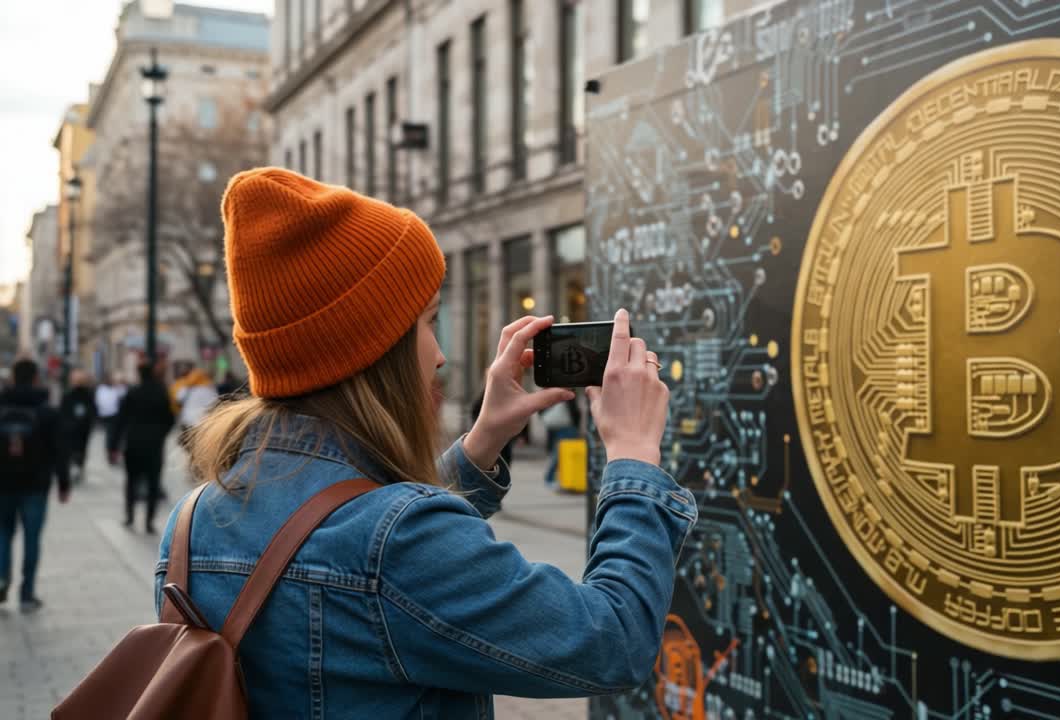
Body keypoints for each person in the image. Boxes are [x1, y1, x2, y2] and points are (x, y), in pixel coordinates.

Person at [158, 168, 691, 717]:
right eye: (429, 323)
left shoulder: (193, 520)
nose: (439, 355)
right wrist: (632, 455)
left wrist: (483, 441)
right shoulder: (392, 543)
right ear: (374, 351)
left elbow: (355, 525)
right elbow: (612, 641)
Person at [0, 359, 70, 611]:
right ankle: (27, 593)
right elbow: (60, 450)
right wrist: (63, 482)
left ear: (12, 378)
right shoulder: (47, 411)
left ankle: (0, 580)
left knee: (3, 534)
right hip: (35, 484)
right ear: (35, 379)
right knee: (32, 538)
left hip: (3, 483)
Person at [108, 362, 175, 533]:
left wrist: (113, 446)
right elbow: (170, 419)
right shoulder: (161, 393)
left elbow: (120, 420)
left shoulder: (132, 393)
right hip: (154, 445)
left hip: (133, 444)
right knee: (153, 483)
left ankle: (130, 516)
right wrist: (160, 434)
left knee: (131, 481)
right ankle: (149, 521)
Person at [59, 370, 97, 485]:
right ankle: (76, 468)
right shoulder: (69, 395)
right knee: (77, 449)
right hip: (77, 428)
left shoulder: (87, 395)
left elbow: (92, 411)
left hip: (78, 428)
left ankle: (77, 468)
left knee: (78, 449)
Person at [541, 394, 583, 487]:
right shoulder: (568, 392)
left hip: (555, 425)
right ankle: (550, 477)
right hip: (566, 426)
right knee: (561, 453)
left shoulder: (551, 390)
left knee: (559, 453)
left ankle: (556, 478)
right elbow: (575, 410)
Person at [174, 366, 218, 446]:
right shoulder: (209, 389)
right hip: (203, 423)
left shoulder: (187, 388)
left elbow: (178, 398)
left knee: (189, 445)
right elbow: (215, 403)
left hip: (188, 422)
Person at [95, 374, 126, 448]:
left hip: (113, 414)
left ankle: (111, 447)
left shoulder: (115, 388)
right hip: (104, 414)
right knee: (110, 432)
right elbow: (98, 402)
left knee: (112, 432)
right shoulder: (101, 389)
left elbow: (122, 394)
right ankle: (110, 446)